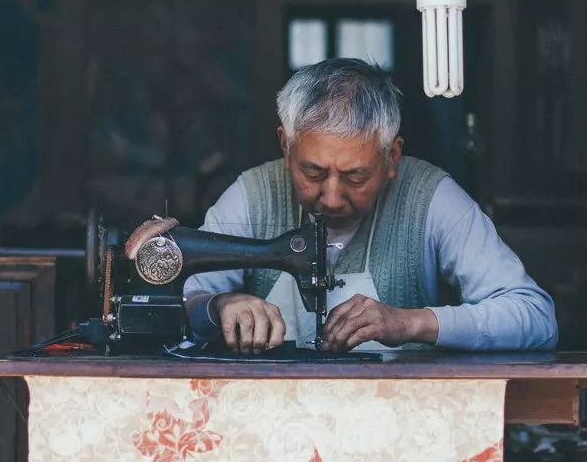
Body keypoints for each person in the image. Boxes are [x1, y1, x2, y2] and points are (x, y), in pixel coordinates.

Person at [183, 58, 558, 355]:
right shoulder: (251, 197)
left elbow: (536, 317)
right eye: (313, 172)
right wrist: (220, 305)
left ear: (392, 156)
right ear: (286, 145)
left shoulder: (431, 198)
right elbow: (186, 301)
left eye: (355, 177)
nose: (331, 198)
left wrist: (410, 323)